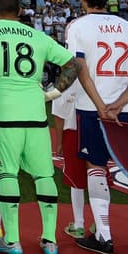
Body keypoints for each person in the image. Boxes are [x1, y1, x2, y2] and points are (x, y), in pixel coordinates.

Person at [0, 0, 88, 254]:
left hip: (3, 110)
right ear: (20, 11)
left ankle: (12, 240)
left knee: (7, 173)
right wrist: (52, 93)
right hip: (36, 110)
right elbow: (73, 64)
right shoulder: (38, 36)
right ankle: (50, 240)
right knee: (43, 175)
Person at [67, 0, 128, 254]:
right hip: (126, 109)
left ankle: (104, 235)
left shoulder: (78, 27)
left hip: (92, 107)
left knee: (96, 167)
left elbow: (79, 69)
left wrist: (101, 105)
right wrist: (119, 103)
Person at [50, 83, 88, 238]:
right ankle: (101, 224)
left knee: (76, 180)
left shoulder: (62, 87)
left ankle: (79, 224)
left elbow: (59, 118)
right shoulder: (91, 81)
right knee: (96, 175)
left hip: (72, 133)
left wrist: (59, 142)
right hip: (92, 130)